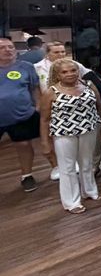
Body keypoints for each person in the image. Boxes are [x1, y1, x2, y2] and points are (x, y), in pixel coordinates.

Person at [39, 58, 101, 213]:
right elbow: (44, 119)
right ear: (58, 74)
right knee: (67, 168)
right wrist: (45, 142)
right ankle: (72, 202)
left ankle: (89, 191)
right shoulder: (51, 91)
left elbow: (99, 107)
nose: (70, 74)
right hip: (63, 133)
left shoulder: (88, 85)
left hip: (89, 130)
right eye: (64, 72)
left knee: (87, 163)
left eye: (73, 70)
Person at [0, 37, 45, 191]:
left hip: (22, 115)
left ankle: (27, 175)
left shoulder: (25, 67)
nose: (8, 50)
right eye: (2, 48)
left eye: (10, 47)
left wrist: (37, 106)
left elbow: (34, 88)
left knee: (24, 144)